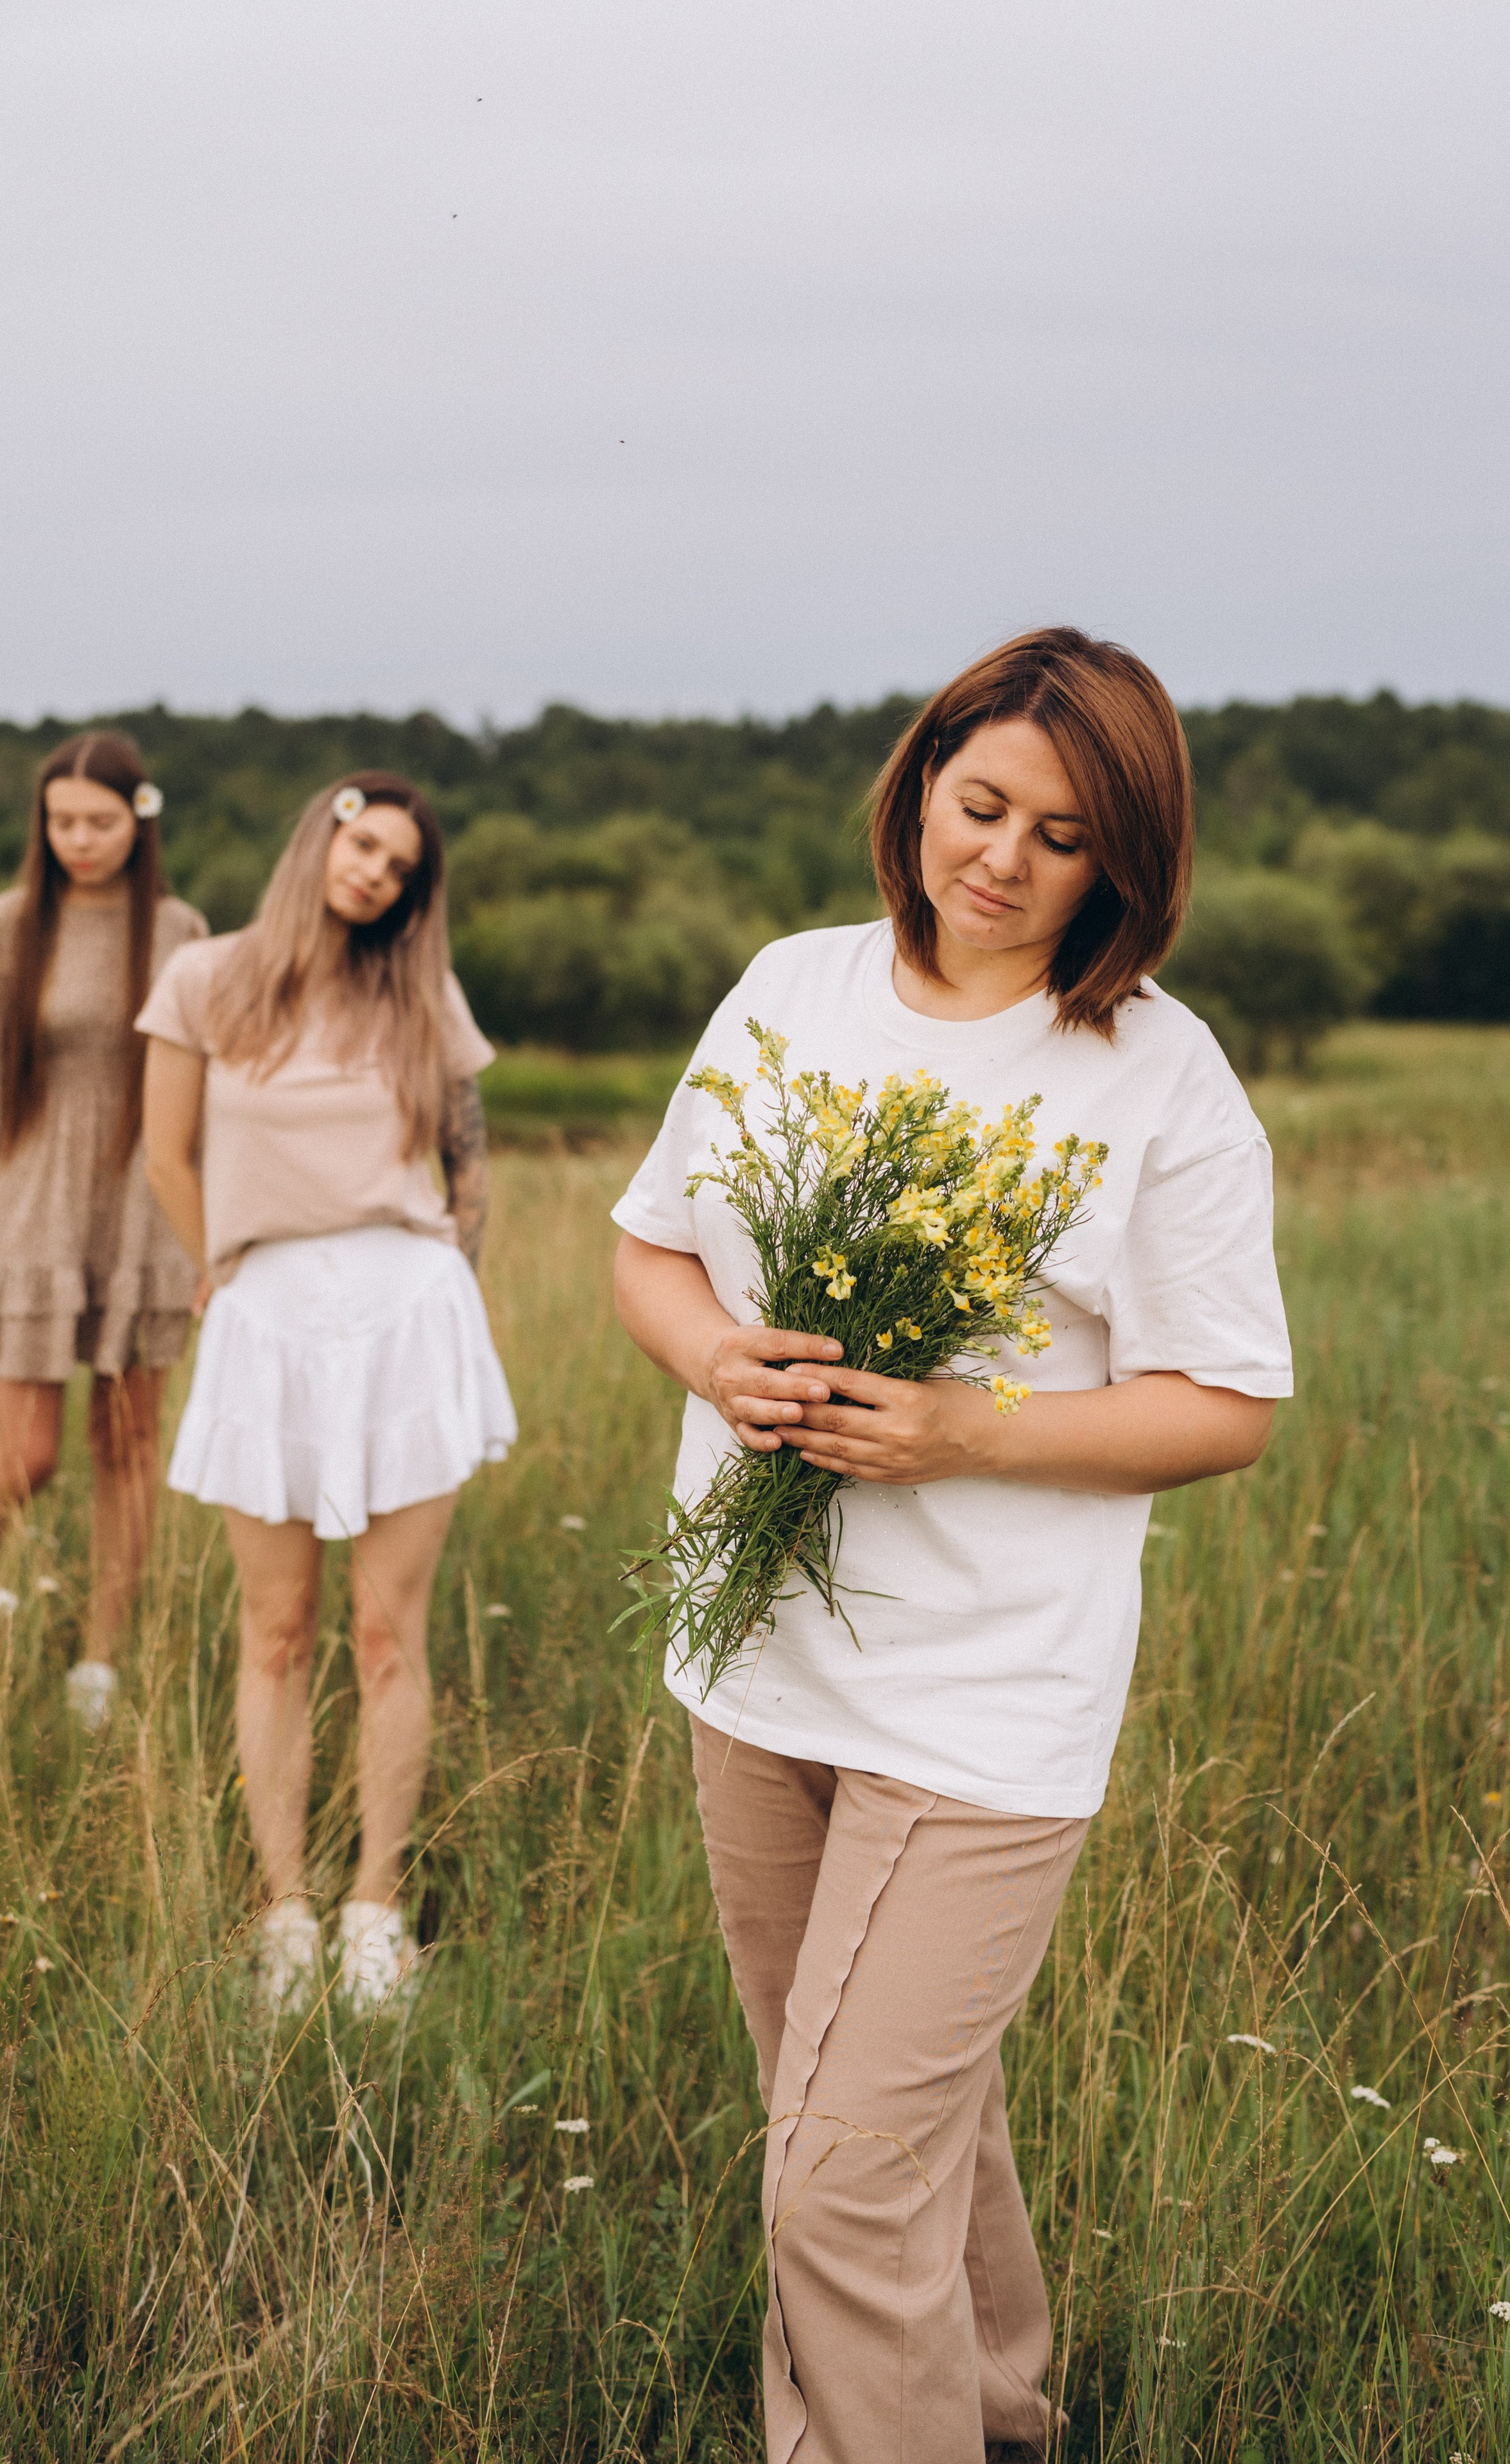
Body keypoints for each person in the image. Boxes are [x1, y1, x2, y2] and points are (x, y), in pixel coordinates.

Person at [612, 628, 1292, 2464]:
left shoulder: (1159, 1074)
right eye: (979, 802)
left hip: (982, 1709)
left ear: (1121, 864)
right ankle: (998, 2421)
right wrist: (713, 1355)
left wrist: (958, 1427)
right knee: (889, 2129)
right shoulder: (791, 988)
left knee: (832, 2186)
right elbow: (653, 1247)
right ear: (918, 783)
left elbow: (1225, 1405)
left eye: (1062, 836)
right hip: (753, 1664)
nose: (1001, 857)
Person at [139, 771, 515, 2015]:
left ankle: (373, 1907)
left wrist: (449, 1288)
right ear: (323, 837)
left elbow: (467, 1161)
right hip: (269, 1314)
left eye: (401, 866)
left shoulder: (418, 993)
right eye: (365, 846)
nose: (376, 874)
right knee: (277, 1631)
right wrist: (220, 1277)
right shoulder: (207, 976)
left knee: (386, 1631)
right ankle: (286, 1911)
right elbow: (166, 1153)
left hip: (405, 1311)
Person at [0, 731, 206, 1734]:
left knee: (127, 1445)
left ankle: (101, 1667)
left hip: (140, 1211)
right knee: (23, 1453)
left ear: (140, 821)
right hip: (27, 1206)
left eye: (101, 822)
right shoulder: (2, 928)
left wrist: (214, 1238)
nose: (79, 839)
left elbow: (203, 1093)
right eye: (62, 821)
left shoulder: (178, 931)